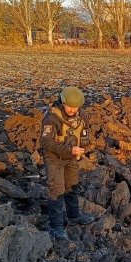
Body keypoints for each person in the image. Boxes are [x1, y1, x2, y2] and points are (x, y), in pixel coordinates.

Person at [40, 86, 96, 240]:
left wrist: (83, 146)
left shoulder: (82, 115)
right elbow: (46, 142)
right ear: (62, 102)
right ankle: (56, 226)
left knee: (72, 186)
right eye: (70, 107)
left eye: (76, 107)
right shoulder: (52, 118)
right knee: (57, 190)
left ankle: (74, 216)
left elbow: (84, 132)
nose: (73, 110)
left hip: (71, 158)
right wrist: (69, 150)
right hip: (54, 158)